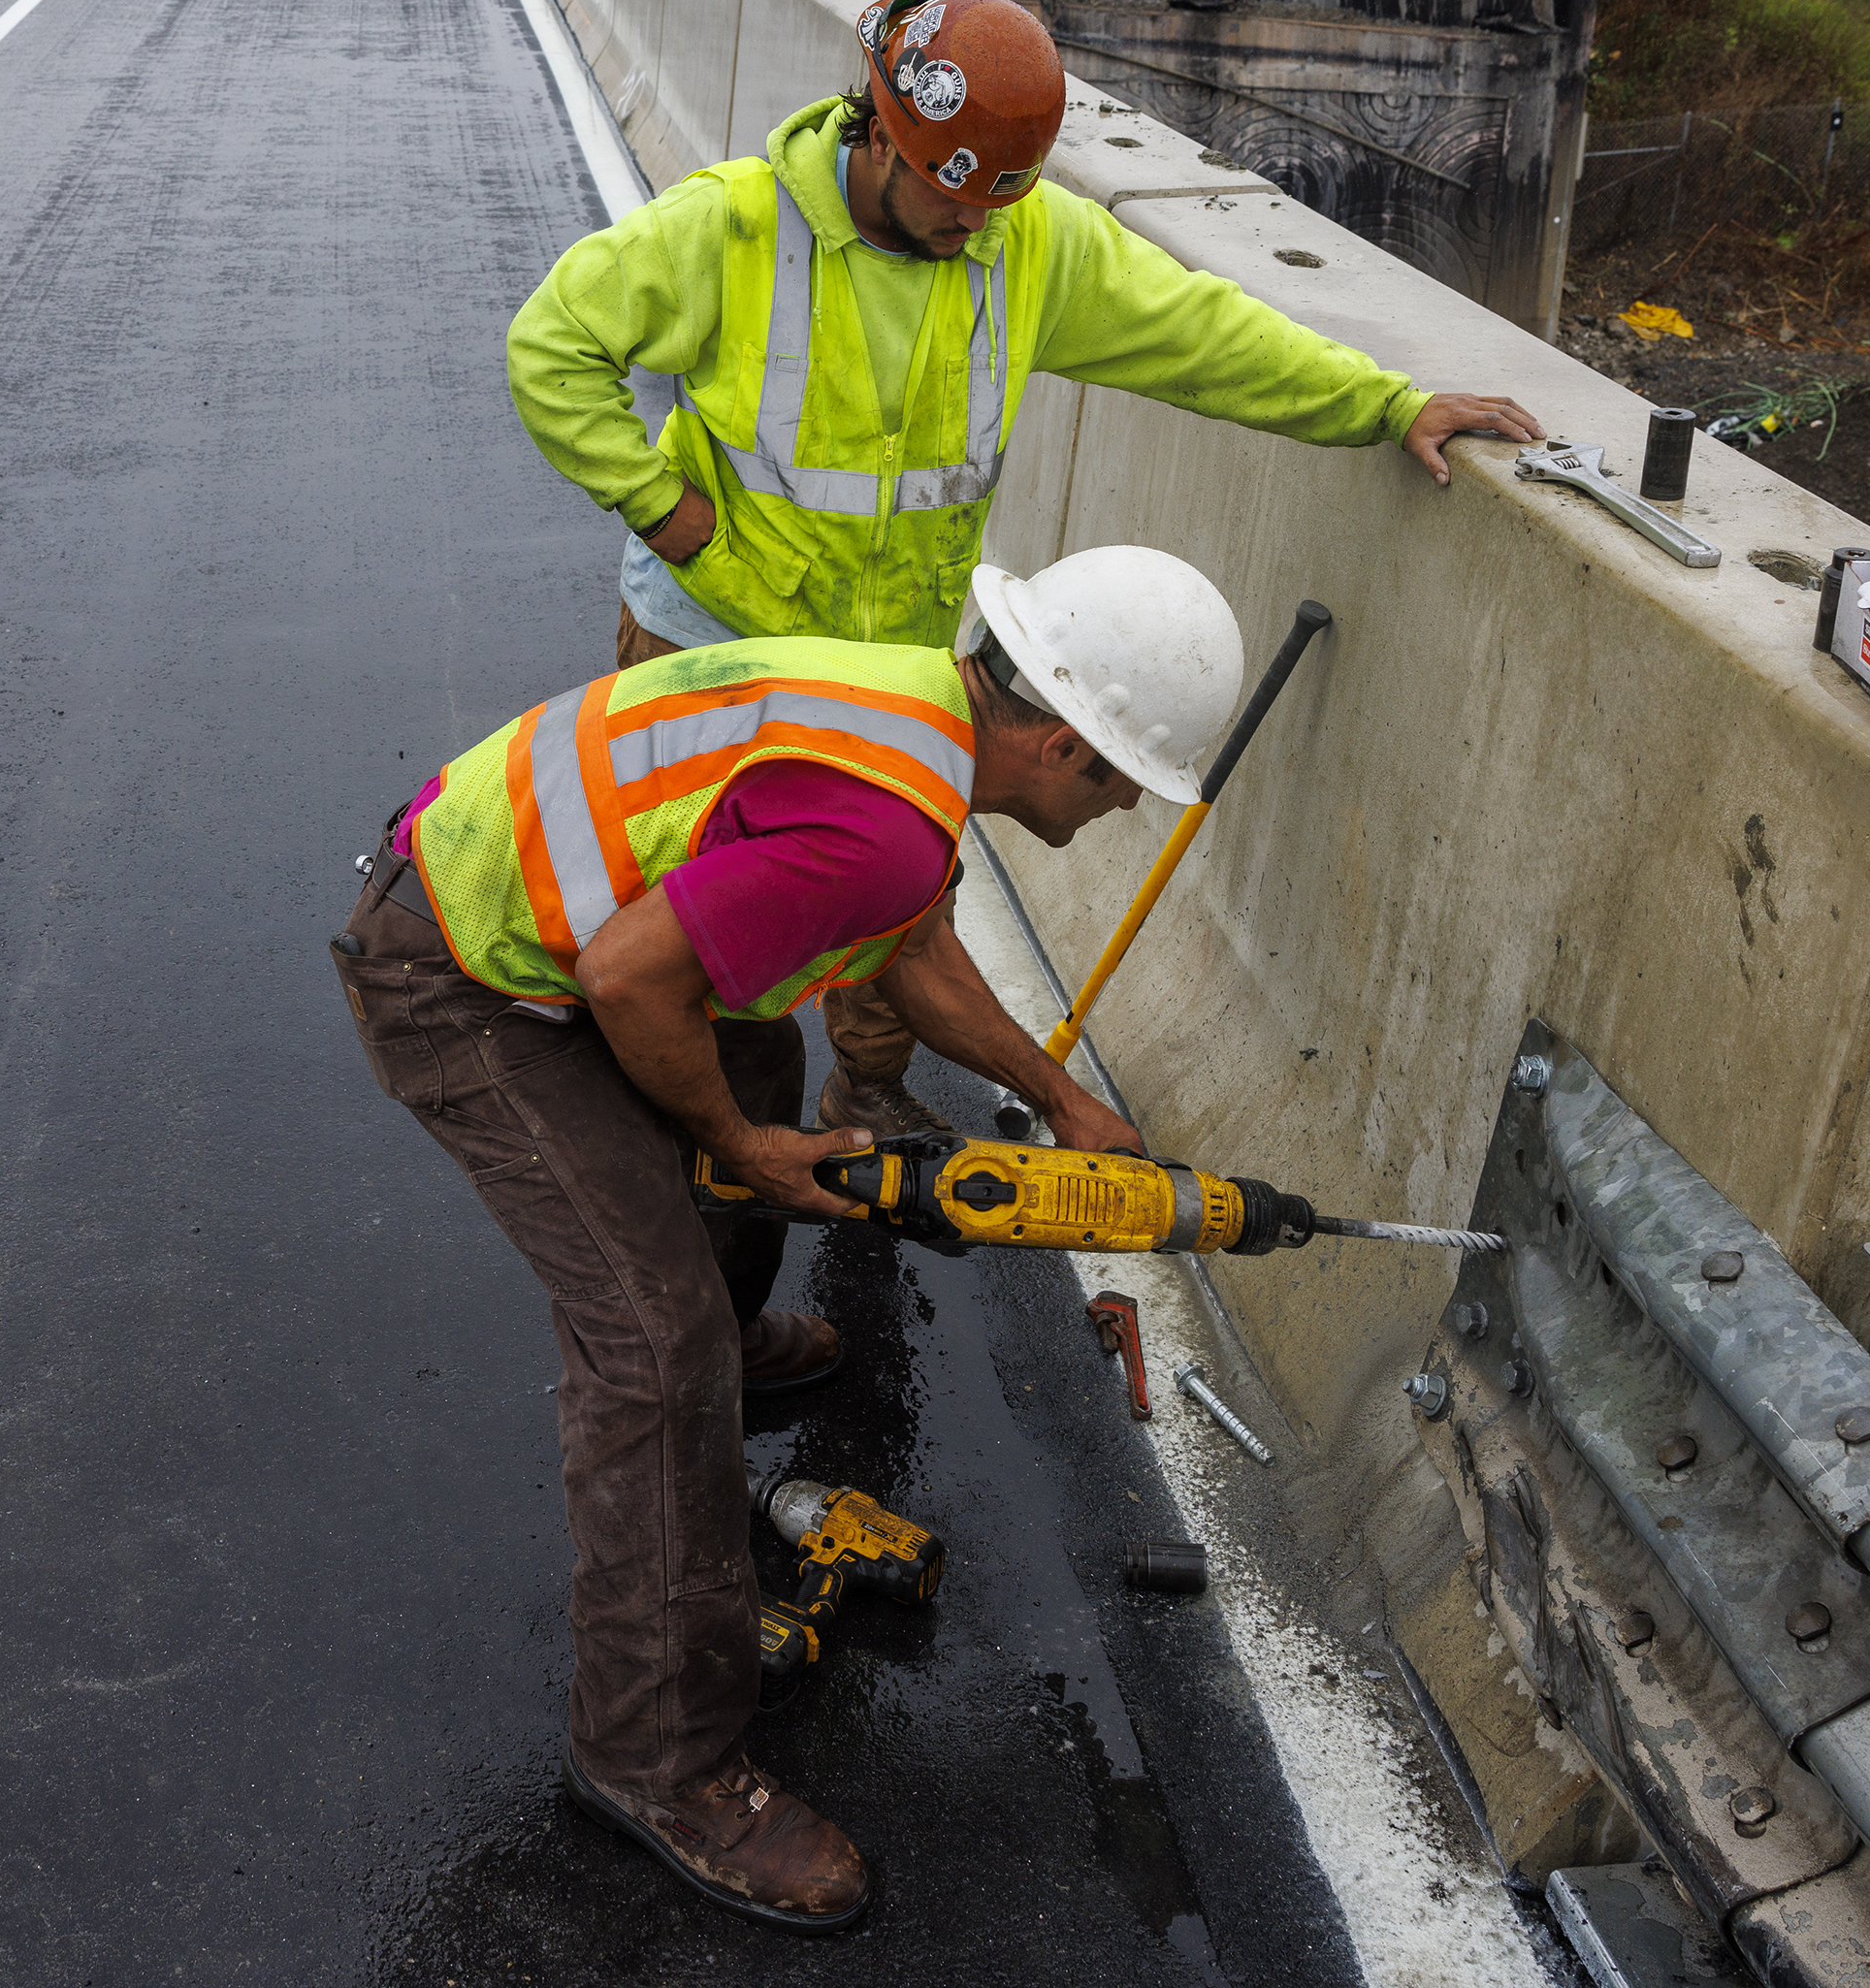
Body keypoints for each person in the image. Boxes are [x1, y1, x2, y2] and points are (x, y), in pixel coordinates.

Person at [332, 547, 1234, 1930]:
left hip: (522, 897)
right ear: (1056, 742)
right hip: (460, 972)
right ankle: (653, 1757)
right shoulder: (888, 819)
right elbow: (634, 977)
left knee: (750, 1056)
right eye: (1115, 783)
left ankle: (729, 1332)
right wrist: (748, 1157)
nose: (1110, 810)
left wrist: (1060, 1099)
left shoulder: (917, 716)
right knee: (652, 1347)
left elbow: (910, 952)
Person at [504, 0, 1536, 1146]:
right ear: (884, 134)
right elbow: (553, 346)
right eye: (952, 197)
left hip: (892, 671)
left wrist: (1385, 404)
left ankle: (871, 1095)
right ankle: (711, 1178)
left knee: (897, 896)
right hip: (716, 646)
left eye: (999, 200)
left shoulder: (1023, 244)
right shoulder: (732, 230)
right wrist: (660, 506)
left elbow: (1204, 335)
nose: (972, 227)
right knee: (697, 944)